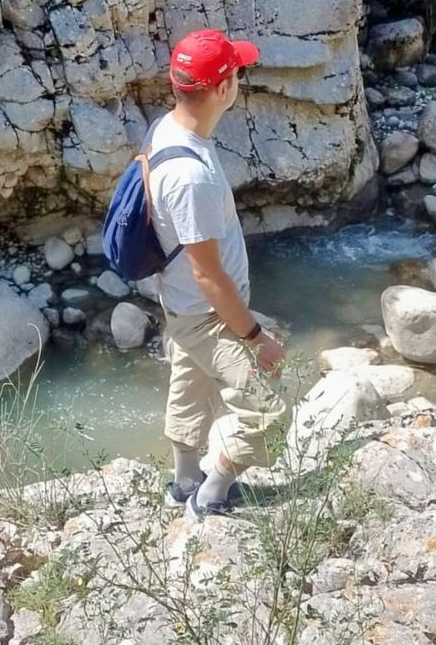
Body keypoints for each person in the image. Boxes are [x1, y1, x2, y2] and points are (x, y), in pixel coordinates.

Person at [147, 28, 287, 518]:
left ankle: (183, 481)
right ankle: (213, 493)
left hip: (182, 305)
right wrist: (254, 336)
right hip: (206, 311)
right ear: (224, 88)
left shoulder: (166, 130)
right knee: (269, 413)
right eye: (238, 73)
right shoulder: (192, 177)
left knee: (191, 387)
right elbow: (208, 275)